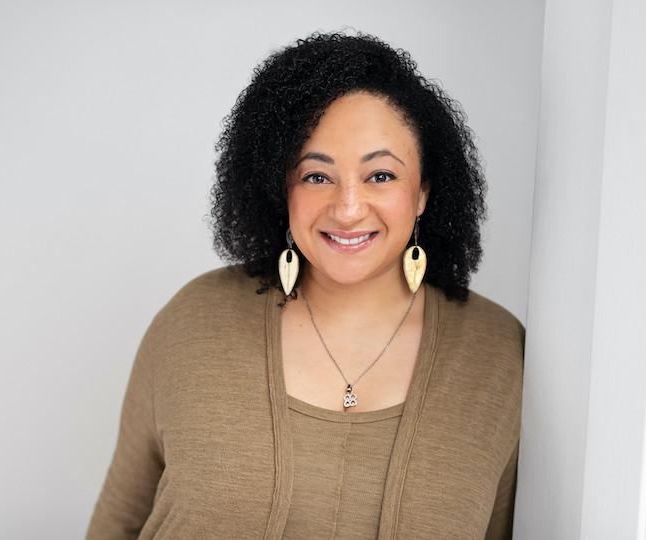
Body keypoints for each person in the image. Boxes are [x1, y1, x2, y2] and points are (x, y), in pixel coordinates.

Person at [86, 31, 525, 540]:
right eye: (317, 176)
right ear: (281, 187)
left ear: (423, 191)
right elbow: (117, 523)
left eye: (381, 175)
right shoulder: (193, 322)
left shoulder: (497, 354)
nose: (348, 209)